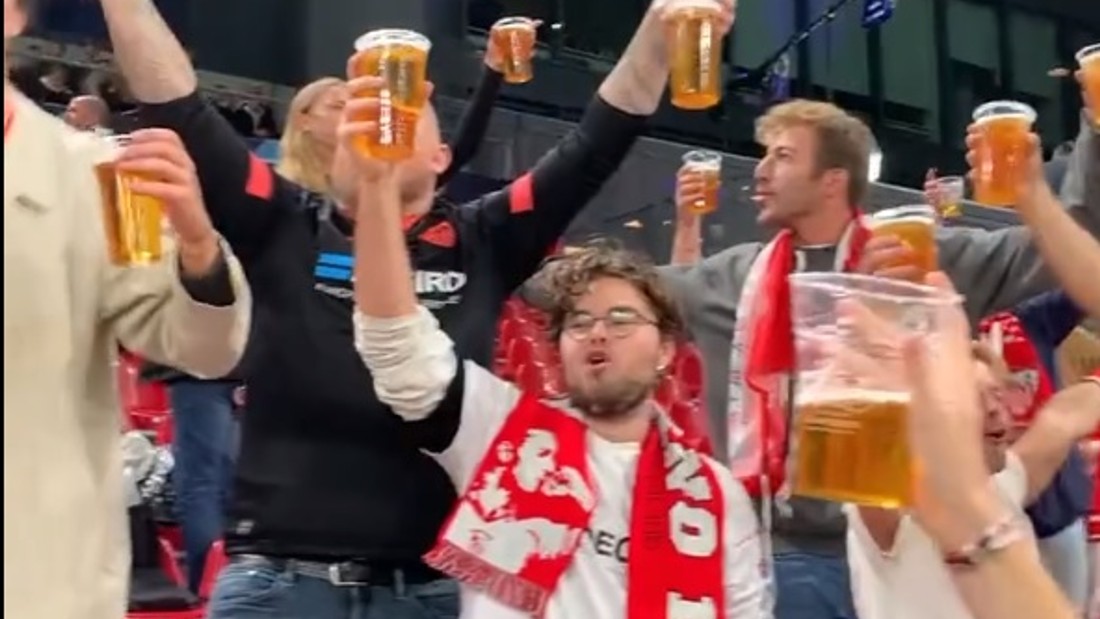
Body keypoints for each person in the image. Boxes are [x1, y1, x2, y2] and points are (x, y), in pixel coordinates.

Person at [98, 0, 732, 616]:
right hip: (279, 580)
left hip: (430, 587)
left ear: (441, 157)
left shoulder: (487, 237)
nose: (385, 118)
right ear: (334, 153)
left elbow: (600, 140)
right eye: (365, 110)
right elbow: (177, 105)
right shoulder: (282, 220)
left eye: (407, 108)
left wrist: (657, 33)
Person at [658, 94, 1099, 618]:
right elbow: (620, 292)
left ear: (833, 180)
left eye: (783, 155)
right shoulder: (729, 279)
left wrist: (1092, 129)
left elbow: (1076, 236)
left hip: (911, 548)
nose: (761, 170)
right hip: (777, 555)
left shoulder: (921, 257)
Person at [346, 124, 769, 617]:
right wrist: (375, 192)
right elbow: (397, 344)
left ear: (665, 351)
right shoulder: (499, 429)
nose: (597, 332)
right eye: (579, 322)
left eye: (621, 319)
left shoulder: (715, 493)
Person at [3, 2, 251, 618]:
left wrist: (197, 247)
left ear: (13, 16)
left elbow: (200, 346)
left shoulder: (93, 175)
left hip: (34, 576)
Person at [855, 273, 1093, 619]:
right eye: (974, 397)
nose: (995, 408)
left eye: (996, 393)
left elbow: (1063, 418)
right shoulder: (897, 506)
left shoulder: (1004, 483)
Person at [978, 293, 1092, 612]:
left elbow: (1084, 290)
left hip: (1058, 514)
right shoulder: (939, 344)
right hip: (988, 523)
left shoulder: (1029, 321)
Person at [275, 40, 505, 194]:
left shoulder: (388, 179)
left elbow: (460, 151)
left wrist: (493, 71)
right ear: (303, 121)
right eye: (337, 107)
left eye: (353, 105)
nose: (349, 113)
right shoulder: (283, 193)